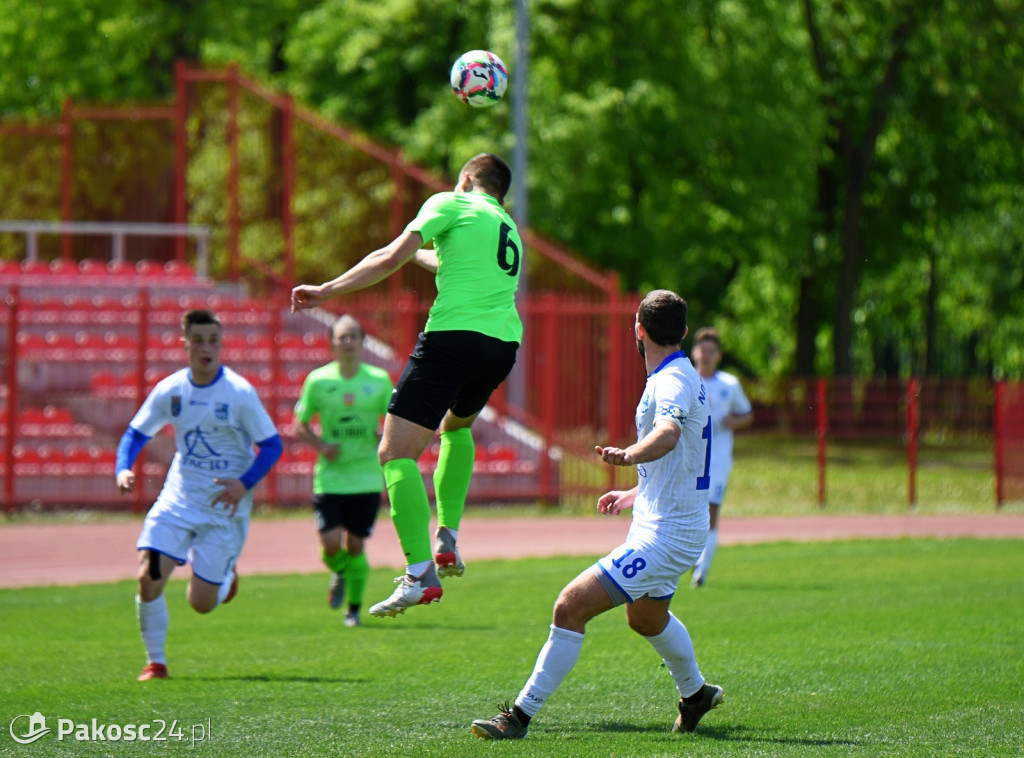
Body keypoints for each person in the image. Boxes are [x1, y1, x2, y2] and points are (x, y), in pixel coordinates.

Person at [471, 290, 724, 740]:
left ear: (639, 330)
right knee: (644, 618)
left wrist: (627, 455)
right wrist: (634, 492)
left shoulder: (670, 382)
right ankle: (696, 694)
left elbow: (667, 435)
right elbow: (680, 455)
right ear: (683, 333)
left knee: (569, 607)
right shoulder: (679, 374)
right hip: (667, 521)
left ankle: (518, 718)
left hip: (667, 535)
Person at [291, 153, 522, 617]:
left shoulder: (450, 203)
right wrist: (422, 253)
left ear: (465, 180)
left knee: (395, 454)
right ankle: (447, 537)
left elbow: (388, 257)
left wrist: (327, 291)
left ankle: (419, 575)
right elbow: (446, 261)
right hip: (502, 346)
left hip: (452, 339)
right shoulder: (507, 226)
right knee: (456, 429)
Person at [115, 309, 283, 681]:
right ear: (185, 343)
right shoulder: (171, 389)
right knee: (147, 578)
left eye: (213, 340)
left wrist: (243, 484)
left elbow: (272, 446)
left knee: (201, 604)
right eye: (199, 340)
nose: (206, 348)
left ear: (221, 344)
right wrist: (123, 467)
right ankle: (155, 663)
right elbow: (136, 434)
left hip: (225, 507)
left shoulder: (238, 393)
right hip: (179, 498)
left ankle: (224, 578)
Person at [294, 315, 393, 627]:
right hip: (330, 476)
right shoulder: (318, 380)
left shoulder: (378, 379)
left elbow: (391, 422)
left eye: (353, 336)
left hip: (365, 476)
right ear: (332, 344)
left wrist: (385, 442)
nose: (348, 342)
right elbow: (300, 422)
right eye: (342, 337)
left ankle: (353, 609)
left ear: (363, 342)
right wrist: (322, 446)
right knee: (331, 545)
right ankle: (339, 571)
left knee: (355, 544)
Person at [690, 327, 753, 587]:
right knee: (688, 510)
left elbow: (747, 414)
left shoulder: (729, 384)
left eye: (711, 351)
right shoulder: (686, 380)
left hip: (717, 460)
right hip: (688, 459)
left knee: (711, 510)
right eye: (702, 350)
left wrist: (733, 422)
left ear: (719, 355)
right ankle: (689, 557)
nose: (706, 355)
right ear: (694, 353)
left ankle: (701, 571)